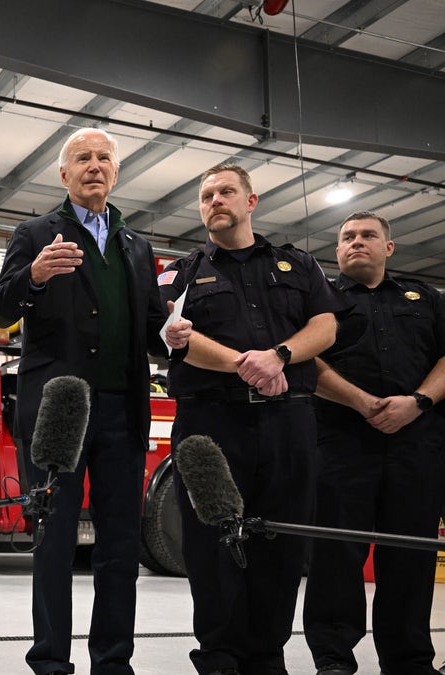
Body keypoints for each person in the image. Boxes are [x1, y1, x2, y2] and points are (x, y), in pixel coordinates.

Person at [0, 127, 191, 675]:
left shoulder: (137, 246)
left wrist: (168, 337)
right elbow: (0, 311)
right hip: (59, 414)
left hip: (124, 412)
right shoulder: (35, 234)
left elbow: (149, 329)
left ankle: (113, 661)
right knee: (53, 540)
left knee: (121, 545)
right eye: (82, 158)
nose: (94, 165)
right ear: (64, 173)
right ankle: (50, 659)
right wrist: (33, 276)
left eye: (104, 158)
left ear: (116, 173)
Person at [159, 164, 349, 675]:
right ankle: (219, 658)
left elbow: (326, 325)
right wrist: (250, 366)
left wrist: (280, 356)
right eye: (205, 195)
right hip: (210, 426)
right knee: (210, 543)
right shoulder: (179, 272)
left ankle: (266, 658)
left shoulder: (299, 264)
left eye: (225, 192)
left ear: (251, 201)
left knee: (281, 543)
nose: (214, 200)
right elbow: (179, 338)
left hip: (290, 423)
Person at [302, 212, 445, 675]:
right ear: (337, 249)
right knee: (336, 556)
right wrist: (363, 403)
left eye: (368, 235)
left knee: (410, 555)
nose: (356, 242)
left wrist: (418, 402)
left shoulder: (424, 298)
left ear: (389, 247)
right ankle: (333, 660)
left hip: (416, 446)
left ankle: (408, 661)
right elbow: (306, 361)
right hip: (339, 444)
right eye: (347, 237)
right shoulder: (316, 301)